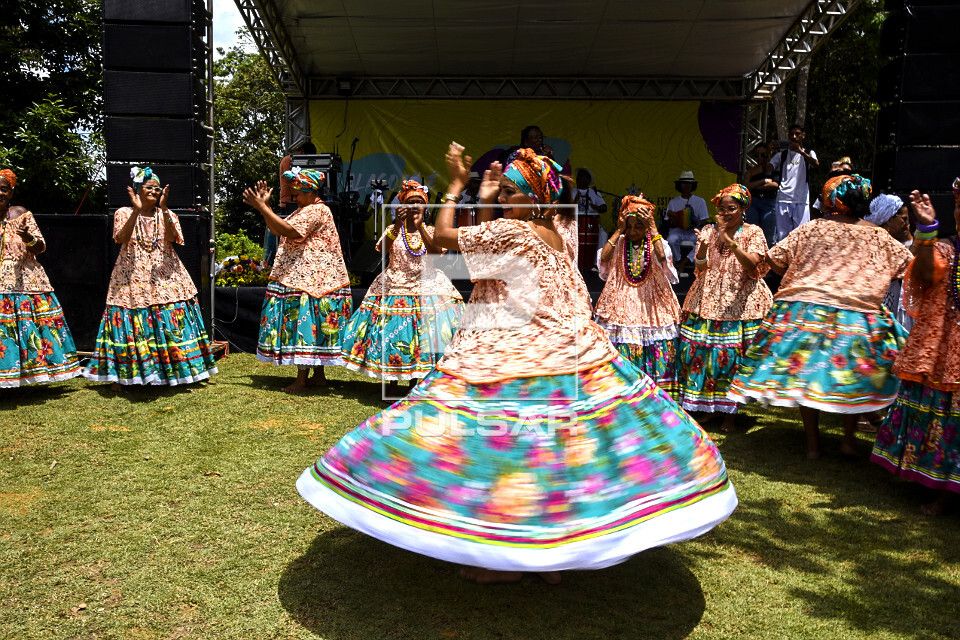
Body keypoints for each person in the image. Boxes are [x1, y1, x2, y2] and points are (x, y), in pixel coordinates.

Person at [296, 142, 737, 586]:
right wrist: (489, 200)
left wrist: (453, 187)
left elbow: (445, 239)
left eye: (510, 192)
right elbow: (488, 256)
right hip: (566, 352)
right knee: (548, 454)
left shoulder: (518, 232)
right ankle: (550, 558)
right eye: (502, 192)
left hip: (511, 351)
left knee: (500, 450)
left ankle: (505, 560)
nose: (504, 198)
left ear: (533, 197)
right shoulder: (554, 233)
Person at [728, 175, 913, 458]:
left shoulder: (812, 228)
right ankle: (848, 441)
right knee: (852, 377)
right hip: (857, 314)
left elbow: (776, 260)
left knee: (808, 379)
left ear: (830, 199)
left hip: (804, 312)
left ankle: (813, 446)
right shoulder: (877, 234)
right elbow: (908, 267)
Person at [84, 167, 217, 388]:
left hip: (165, 274)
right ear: (137, 190)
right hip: (131, 275)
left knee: (170, 320)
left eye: (158, 188)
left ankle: (178, 371)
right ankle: (124, 375)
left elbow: (174, 237)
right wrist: (136, 211)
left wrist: (164, 209)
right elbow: (120, 238)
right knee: (129, 321)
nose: (155, 191)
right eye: (149, 187)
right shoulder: (123, 213)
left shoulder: (168, 214)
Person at [871, 189, 960, 515]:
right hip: (942, 350)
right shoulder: (947, 249)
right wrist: (926, 231)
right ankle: (939, 485)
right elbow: (924, 274)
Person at [340, 180, 464, 397]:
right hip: (395, 284)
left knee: (423, 337)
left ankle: (417, 384)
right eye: (410, 202)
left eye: (419, 202)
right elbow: (383, 250)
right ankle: (392, 383)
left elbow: (435, 252)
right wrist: (397, 226)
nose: (415, 206)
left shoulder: (434, 230)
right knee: (394, 337)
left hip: (428, 285)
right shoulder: (392, 229)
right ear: (401, 206)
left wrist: (421, 226)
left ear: (425, 207)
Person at [243, 168, 352, 393]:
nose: (295, 198)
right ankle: (318, 376)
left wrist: (262, 207)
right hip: (305, 278)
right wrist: (265, 209)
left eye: (298, 194)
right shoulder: (303, 210)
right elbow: (277, 228)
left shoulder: (317, 210)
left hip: (312, 280)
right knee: (309, 325)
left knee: (305, 326)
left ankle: (302, 380)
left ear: (310, 191)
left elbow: (291, 232)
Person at [677, 184, 772, 432]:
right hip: (706, 301)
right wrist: (705, 246)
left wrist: (730, 241)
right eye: (721, 209)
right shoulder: (709, 229)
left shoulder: (753, 233)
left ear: (743, 209)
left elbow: (753, 266)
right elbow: (700, 267)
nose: (726, 214)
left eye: (731, 208)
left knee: (730, 359)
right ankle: (708, 408)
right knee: (703, 357)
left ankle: (730, 413)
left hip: (739, 304)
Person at [0, 168, 81, 387]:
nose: (0, 193)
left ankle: (27, 378)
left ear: (11, 193)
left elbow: (40, 247)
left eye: (4, 189)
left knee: (28, 331)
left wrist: (27, 238)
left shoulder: (20, 214)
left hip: (25, 282)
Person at [595, 195, 681, 397]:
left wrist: (653, 229)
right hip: (620, 301)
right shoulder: (620, 241)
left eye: (639, 226)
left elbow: (662, 258)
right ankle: (621, 396)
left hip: (651, 304)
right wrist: (618, 230)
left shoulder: (657, 242)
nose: (633, 232)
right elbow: (604, 258)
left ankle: (654, 399)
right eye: (630, 226)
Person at [867, 193, 914, 330]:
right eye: (903, 219)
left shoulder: (917, 243)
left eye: (908, 220)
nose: (907, 224)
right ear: (887, 221)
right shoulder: (876, 247)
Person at [269, 141, 317, 265]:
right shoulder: (289, 161)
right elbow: (293, 180)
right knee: (289, 233)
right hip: (288, 201)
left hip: (295, 199)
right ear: (303, 153)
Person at [770, 124, 819, 241]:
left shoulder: (809, 153)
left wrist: (801, 152)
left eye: (797, 134)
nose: (794, 137)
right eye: (791, 134)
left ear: (803, 136)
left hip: (801, 199)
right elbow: (767, 168)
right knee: (783, 236)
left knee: (802, 234)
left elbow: (816, 164)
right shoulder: (781, 155)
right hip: (783, 198)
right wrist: (767, 152)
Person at [665, 171, 710, 276]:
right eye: (684, 183)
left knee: (703, 241)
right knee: (671, 240)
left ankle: (684, 262)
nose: (687, 186)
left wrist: (694, 222)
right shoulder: (673, 202)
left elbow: (704, 220)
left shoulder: (700, 201)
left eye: (689, 183)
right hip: (678, 230)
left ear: (693, 185)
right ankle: (677, 260)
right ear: (679, 185)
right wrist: (676, 221)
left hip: (693, 230)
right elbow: (667, 220)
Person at [743, 142, 779, 248]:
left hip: (769, 203)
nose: (759, 158)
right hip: (753, 203)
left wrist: (756, 186)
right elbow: (745, 186)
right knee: (752, 234)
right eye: (756, 155)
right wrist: (763, 181)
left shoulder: (773, 169)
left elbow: (775, 184)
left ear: (768, 154)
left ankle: (768, 261)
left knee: (769, 235)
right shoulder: (751, 171)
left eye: (762, 155)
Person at [573, 167, 608, 272]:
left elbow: (604, 208)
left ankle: (596, 264)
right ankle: (572, 262)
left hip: (592, 223)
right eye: (579, 176)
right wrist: (575, 201)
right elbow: (564, 209)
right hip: (574, 223)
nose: (580, 178)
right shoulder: (571, 191)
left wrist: (595, 207)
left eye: (583, 176)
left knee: (603, 235)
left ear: (588, 180)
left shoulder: (595, 193)